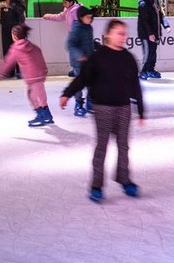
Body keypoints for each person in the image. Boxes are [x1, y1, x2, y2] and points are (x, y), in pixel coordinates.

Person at [60, 19, 145, 203]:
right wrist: (67, 94)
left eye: (125, 34)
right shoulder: (98, 57)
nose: (123, 37)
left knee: (123, 146)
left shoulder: (129, 58)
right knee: (102, 147)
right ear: (108, 34)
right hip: (103, 108)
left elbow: (135, 85)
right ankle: (96, 185)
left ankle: (124, 179)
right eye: (119, 33)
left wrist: (141, 110)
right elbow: (82, 78)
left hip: (123, 107)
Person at [0, 23, 53, 127]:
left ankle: (43, 115)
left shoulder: (16, 48)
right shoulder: (32, 46)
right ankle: (46, 115)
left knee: (35, 97)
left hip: (32, 76)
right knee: (38, 96)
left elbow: (8, 62)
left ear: (14, 35)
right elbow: (39, 55)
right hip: (38, 75)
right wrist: (44, 71)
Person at [43, 0, 89, 77]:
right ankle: (76, 70)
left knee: (77, 54)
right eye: (63, 3)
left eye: (65, 3)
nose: (64, 5)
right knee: (74, 54)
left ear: (71, 2)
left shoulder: (77, 10)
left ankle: (79, 71)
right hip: (73, 36)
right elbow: (60, 16)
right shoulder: (67, 9)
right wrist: (48, 16)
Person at [64, 6, 98, 115]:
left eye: (91, 17)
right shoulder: (76, 28)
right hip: (78, 63)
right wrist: (79, 55)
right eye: (88, 17)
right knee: (79, 84)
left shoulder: (88, 27)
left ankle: (90, 102)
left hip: (89, 61)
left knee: (91, 83)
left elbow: (89, 42)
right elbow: (70, 44)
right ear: (80, 17)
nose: (90, 19)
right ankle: (78, 104)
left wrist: (98, 47)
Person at [136, 0, 166, 79]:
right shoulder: (143, 4)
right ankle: (143, 71)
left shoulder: (155, 2)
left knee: (153, 52)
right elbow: (145, 21)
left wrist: (166, 25)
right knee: (148, 53)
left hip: (155, 32)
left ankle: (150, 69)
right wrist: (150, 34)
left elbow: (160, 15)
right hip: (146, 34)